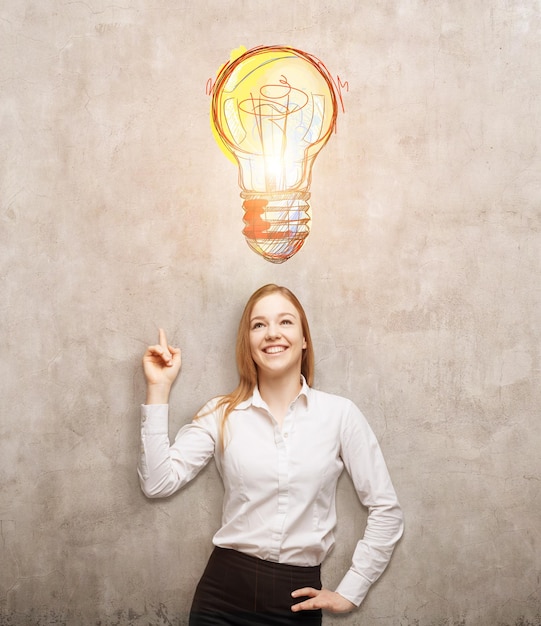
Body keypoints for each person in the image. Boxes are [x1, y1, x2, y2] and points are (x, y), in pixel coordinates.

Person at [138, 284, 404, 625]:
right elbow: (158, 483)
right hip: (222, 595)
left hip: (295, 602)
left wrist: (352, 589)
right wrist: (158, 389)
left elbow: (386, 510)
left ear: (304, 338)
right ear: (247, 342)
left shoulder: (340, 415)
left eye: (285, 322)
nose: (272, 333)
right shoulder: (220, 413)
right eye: (258, 324)